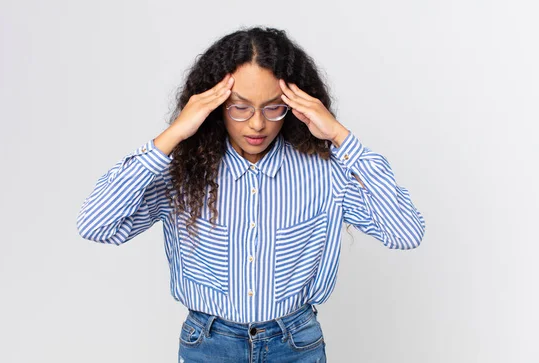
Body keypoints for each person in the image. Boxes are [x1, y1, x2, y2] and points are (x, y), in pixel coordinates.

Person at [76, 26, 426, 363]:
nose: (257, 124)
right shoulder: (183, 174)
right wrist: (174, 134)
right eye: (240, 107)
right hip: (209, 345)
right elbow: (96, 225)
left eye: (273, 107)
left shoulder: (326, 171)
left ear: (295, 105)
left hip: (295, 344)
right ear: (214, 106)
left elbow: (405, 233)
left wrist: (339, 136)